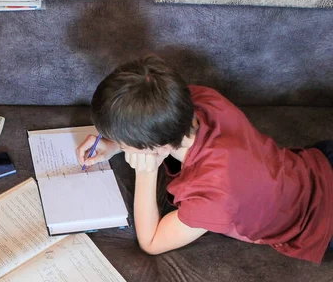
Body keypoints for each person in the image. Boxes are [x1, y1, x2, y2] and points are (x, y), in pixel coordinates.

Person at [76, 54, 333, 263]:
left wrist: (147, 172)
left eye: (124, 142)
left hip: (322, 223)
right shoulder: (201, 100)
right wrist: (115, 144)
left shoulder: (214, 195)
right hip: (318, 163)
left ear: (155, 147)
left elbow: (151, 243)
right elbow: (161, 125)